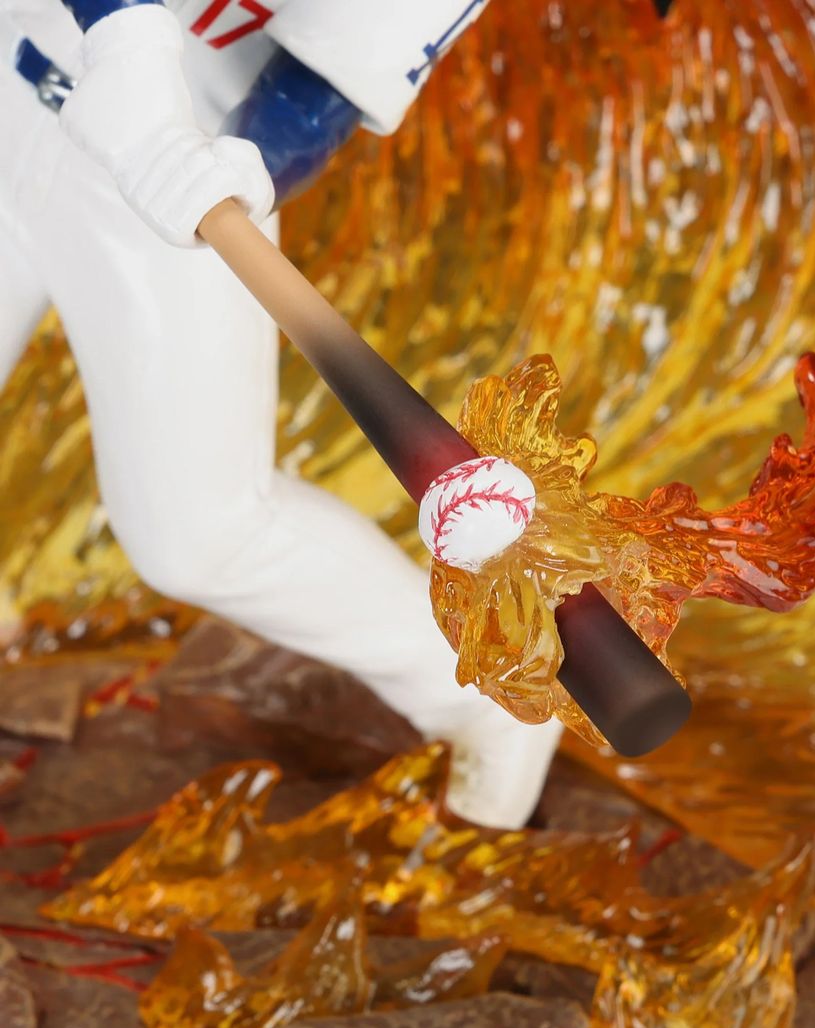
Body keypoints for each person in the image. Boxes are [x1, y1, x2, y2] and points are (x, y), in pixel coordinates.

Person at [0, 0, 563, 828]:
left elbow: (311, 99)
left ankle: (482, 690)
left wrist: (236, 168)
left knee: (199, 533)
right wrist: (125, 37)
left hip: (165, 174)